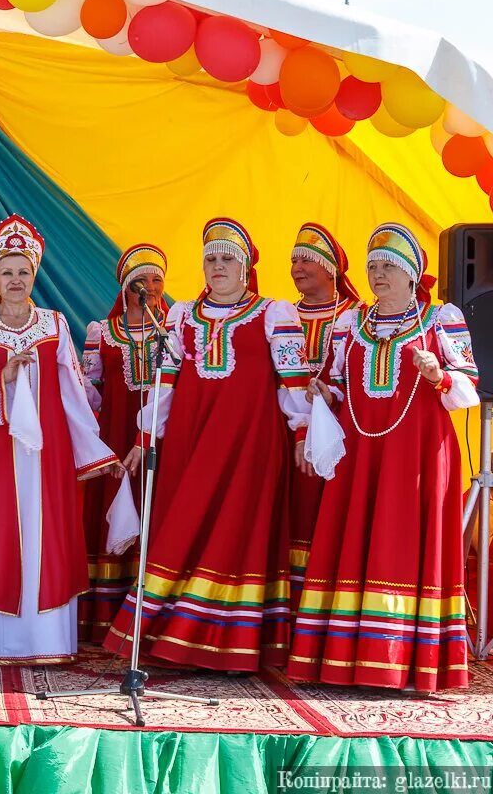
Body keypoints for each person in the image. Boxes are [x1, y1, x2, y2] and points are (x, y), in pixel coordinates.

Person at [104, 217, 310, 672]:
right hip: (190, 441)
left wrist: (301, 432)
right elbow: (166, 382)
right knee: (182, 527)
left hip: (250, 444)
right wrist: (144, 436)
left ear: (245, 267)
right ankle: (170, 641)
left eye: (226, 259)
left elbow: (293, 382)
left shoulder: (274, 313)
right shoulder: (182, 316)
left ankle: (227, 647)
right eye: (210, 259)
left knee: (239, 531)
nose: (217, 267)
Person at [288, 223, 478, 692]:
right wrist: (323, 391)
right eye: (373, 265)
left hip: (418, 455)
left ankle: (399, 662)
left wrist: (439, 374)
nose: (378, 274)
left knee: (403, 541)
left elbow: (470, 386)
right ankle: (344, 657)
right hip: (360, 457)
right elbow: (337, 383)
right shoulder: (350, 324)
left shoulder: (440, 319)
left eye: (389, 265)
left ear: (413, 274)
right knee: (352, 539)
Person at [0, 215, 120, 666]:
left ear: (34, 276)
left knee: (45, 533)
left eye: (23, 271)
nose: (16, 280)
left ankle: (44, 638)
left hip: (47, 451)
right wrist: (0, 378)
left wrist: (92, 450)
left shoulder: (54, 324)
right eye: (7, 272)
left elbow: (73, 391)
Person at [80, 244, 167, 643]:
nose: (148, 288)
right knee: (110, 510)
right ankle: (105, 617)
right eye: (139, 282)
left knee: (159, 510)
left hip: (162, 436)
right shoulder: (102, 332)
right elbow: (89, 393)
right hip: (114, 436)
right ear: (124, 288)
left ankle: (150, 616)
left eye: (156, 280)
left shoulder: (175, 330)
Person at [286, 224, 361, 602]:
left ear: (330, 268)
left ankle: (325, 600)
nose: (297, 267)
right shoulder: (281, 315)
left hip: (341, 431)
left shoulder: (356, 315)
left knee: (329, 512)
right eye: (294, 261)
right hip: (287, 429)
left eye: (306, 260)